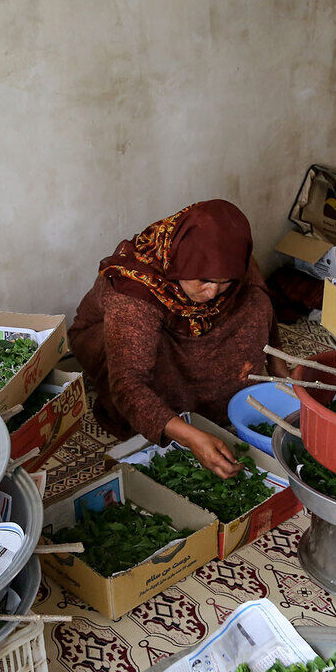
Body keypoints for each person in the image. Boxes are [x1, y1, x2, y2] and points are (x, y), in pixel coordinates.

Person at [70, 200, 289, 477]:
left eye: (224, 282)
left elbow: (260, 296)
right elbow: (128, 384)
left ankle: (215, 407)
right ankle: (182, 419)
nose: (212, 292)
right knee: (159, 362)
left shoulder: (226, 258)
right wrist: (190, 438)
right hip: (108, 339)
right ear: (181, 263)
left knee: (253, 301)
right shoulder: (135, 292)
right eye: (204, 281)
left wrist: (280, 369)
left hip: (188, 325)